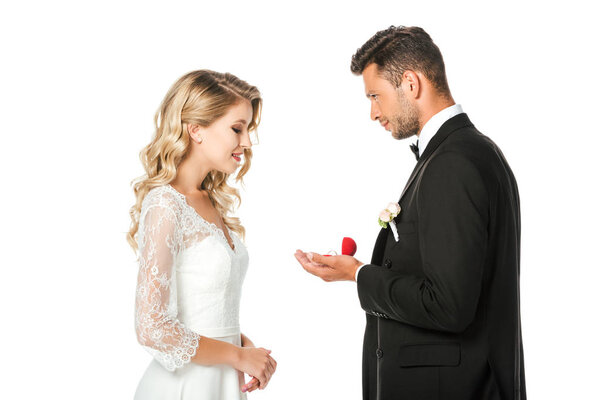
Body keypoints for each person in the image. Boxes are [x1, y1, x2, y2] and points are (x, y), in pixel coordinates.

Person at [294, 26, 526, 399]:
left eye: (375, 95)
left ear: (411, 83)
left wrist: (359, 275)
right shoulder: (468, 152)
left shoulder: (453, 162)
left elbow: (448, 306)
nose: (373, 112)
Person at [127, 70, 276, 399]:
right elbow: (151, 326)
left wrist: (242, 346)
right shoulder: (165, 204)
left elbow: (204, 310)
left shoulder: (210, 201)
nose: (247, 142)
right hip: (184, 387)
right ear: (196, 129)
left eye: (248, 129)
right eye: (237, 128)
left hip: (222, 383)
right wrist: (237, 355)